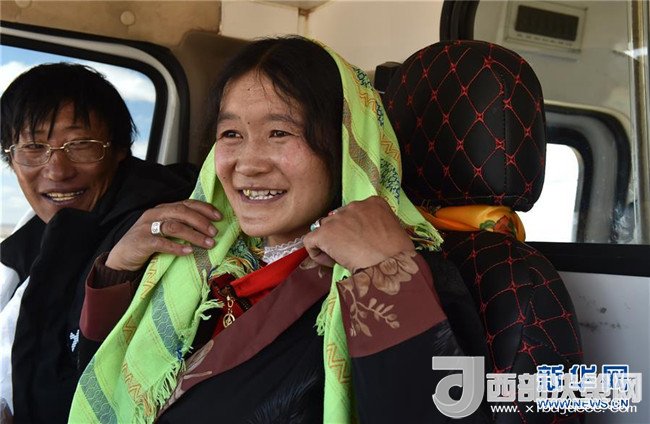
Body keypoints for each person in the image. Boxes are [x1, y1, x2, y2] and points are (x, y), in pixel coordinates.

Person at [70, 37, 489, 423]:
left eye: (279, 132)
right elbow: (104, 388)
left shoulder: (407, 272)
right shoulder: (201, 265)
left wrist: (385, 275)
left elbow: (449, 411)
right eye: (231, 134)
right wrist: (118, 270)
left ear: (345, 145)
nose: (248, 163)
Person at [0, 63, 202, 423]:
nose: (58, 170)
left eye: (81, 145)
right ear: (11, 157)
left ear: (120, 148)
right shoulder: (35, 234)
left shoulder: (158, 229)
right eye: (33, 147)